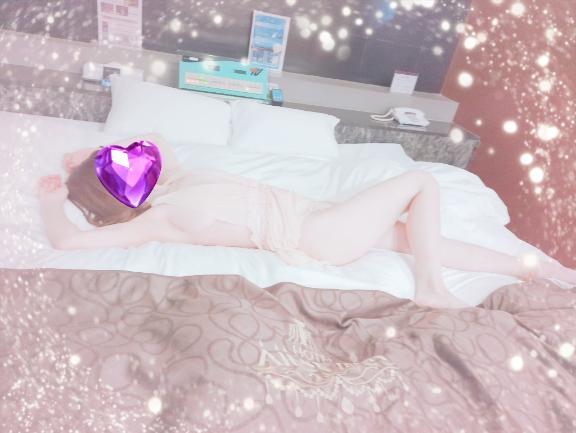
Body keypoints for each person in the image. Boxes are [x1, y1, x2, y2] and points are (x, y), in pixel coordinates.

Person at [37, 133, 576, 309]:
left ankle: (531, 269)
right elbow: (66, 242)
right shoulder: (157, 221)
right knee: (421, 183)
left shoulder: (170, 182)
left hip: (319, 219)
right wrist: (53, 201)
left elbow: (152, 144)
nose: (136, 164)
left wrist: (87, 156)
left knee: (415, 238)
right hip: (314, 236)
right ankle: (432, 289)